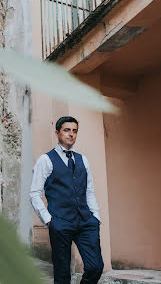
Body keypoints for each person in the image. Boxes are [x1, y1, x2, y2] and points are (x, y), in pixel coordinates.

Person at [29, 116, 104, 284]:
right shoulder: (46, 160)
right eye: (67, 130)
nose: (71, 134)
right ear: (57, 133)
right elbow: (34, 193)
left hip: (86, 221)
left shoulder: (83, 160)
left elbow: (89, 191)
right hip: (60, 222)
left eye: (74, 130)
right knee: (62, 275)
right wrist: (48, 221)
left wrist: (95, 217)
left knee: (95, 267)